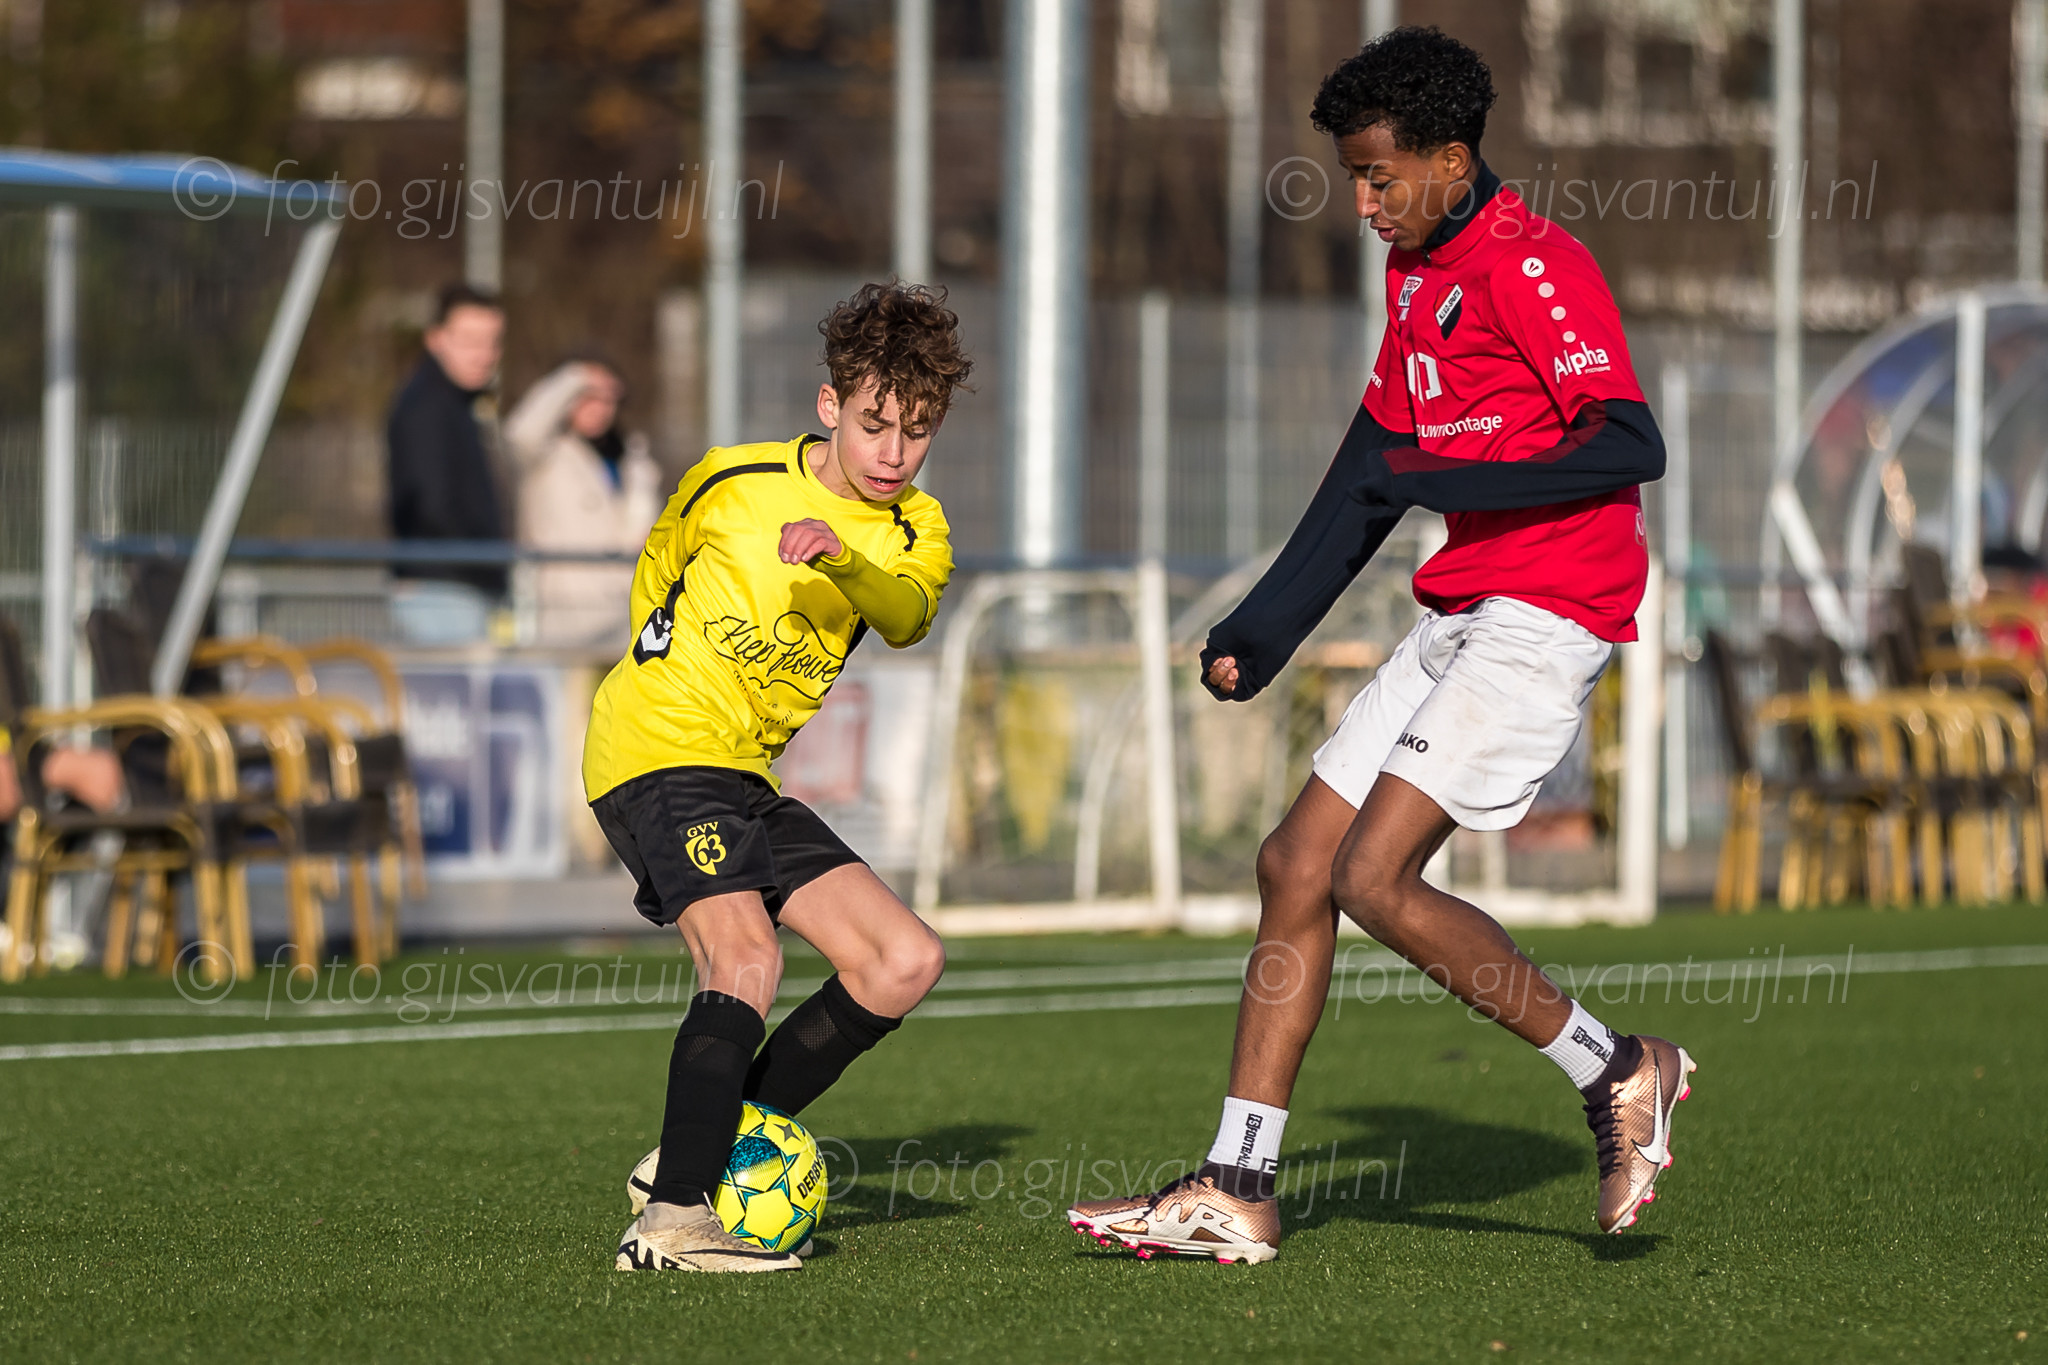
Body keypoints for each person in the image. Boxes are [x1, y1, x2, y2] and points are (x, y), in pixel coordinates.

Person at [1068, 27, 1693, 1263]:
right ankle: (1238, 1184)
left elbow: (1629, 443)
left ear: (1449, 160)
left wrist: (1447, 475)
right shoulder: (1417, 273)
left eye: (1376, 176)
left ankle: (1616, 1068)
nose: (1359, 201)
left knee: (1371, 879)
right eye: (1352, 176)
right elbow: (1370, 467)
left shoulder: (1534, 264)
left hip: (1547, 608)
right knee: (1294, 864)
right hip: (1462, 608)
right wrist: (1265, 627)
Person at [590, 282, 972, 1273]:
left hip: (743, 775)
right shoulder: (732, 480)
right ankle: (673, 1224)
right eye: (875, 424)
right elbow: (657, 572)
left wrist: (841, 559)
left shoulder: (915, 528)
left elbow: (904, 615)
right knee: (745, 957)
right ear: (829, 405)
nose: (894, 452)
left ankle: (697, 1151)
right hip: (660, 745)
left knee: (900, 959)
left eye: (917, 431)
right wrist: (657, 678)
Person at [504, 357, 662, 648]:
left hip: (623, 608)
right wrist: (575, 377)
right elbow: (521, 432)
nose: (599, 408)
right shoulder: (547, 454)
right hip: (562, 610)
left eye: (608, 399)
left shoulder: (630, 457)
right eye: (588, 397)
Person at [386, 283, 509, 645]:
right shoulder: (427, 406)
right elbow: (431, 504)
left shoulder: (459, 402)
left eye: (492, 342)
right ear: (435, 338)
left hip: (457, 586)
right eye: (471, 340)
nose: (484, 354)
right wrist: (487, 558)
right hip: (443, 589)